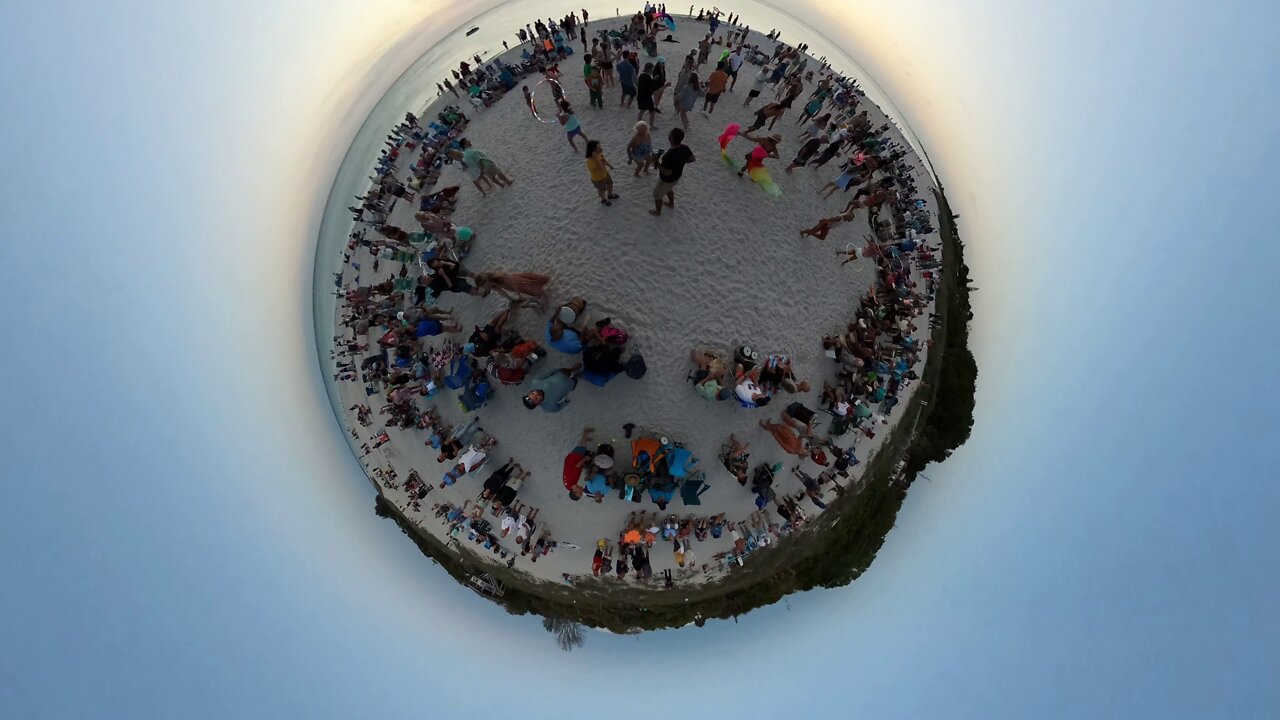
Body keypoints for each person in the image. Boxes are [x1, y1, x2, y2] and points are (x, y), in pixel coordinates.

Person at [650, 127, 695, 216]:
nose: (669, 135)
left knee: (657, 195)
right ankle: (671, 204)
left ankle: (657, 212)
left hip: (667, 180)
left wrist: (656, 163)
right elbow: (692, 159)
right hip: (677, 176)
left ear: (672, 138)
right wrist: (681, 161)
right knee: (669, 189)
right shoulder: (685, 147)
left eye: (670, 134)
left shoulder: (668, 156)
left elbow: (667, 173)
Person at [584, 140, 619, 205]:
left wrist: (609, 165)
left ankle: (610, 195)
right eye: (598, 148)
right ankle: (603, 200)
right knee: (601, 190)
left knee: (610, 183)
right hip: (598, 179)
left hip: (605, 174)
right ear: (592, 151)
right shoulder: (590, 161)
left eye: (600, 146)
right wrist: (596, 158)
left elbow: (604, 161)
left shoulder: (599, 154)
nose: (601, 148)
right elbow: (601, 168)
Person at [635, 62, 661, 127]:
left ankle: (638, 124)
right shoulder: (649, 79)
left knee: (642, 111)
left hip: (640, 97)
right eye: (653, 68)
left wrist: (653, 79)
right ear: (650, 69)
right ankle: (651, 126)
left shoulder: (641, 76)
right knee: (652, 112)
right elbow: (655, 92)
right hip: (647, 99)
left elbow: (646, 83)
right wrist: (666, 86)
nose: (653, 70)